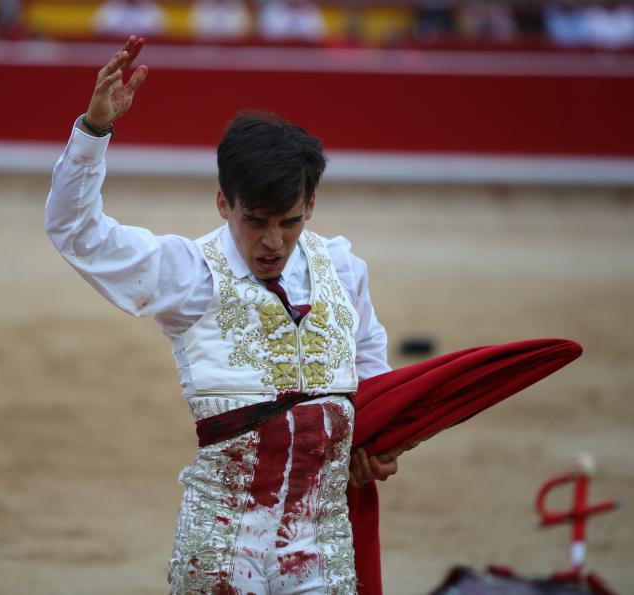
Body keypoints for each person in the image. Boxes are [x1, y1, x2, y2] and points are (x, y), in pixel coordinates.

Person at [45, 36, 398, 593]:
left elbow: (369, 366)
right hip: (224, 541)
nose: (273, 241)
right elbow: (77, 232)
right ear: (223, 203)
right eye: (255, 220)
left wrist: (375, 443)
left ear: (310, 206)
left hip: (323, 538)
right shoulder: (189, 273)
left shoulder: (342, 267)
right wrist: (93, 132)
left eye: (289, 220)